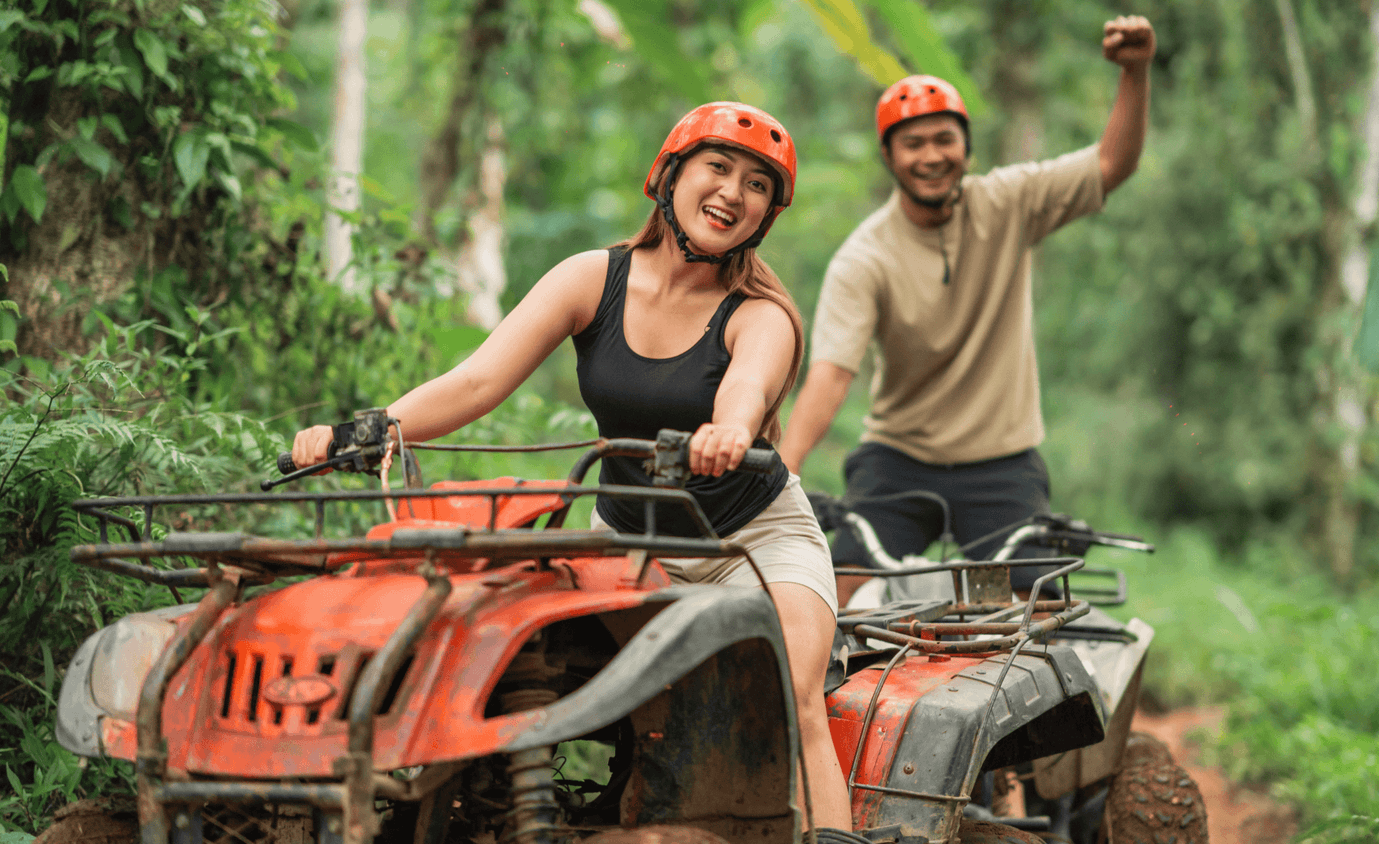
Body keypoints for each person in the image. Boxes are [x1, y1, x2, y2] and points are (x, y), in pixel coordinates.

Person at [290, 102, 859, 838]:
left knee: (795, 690)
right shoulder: (593, 278)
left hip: (750, 541)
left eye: (756, 184)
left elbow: (744, 391)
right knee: (530, 662)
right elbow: (476, 382)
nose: (733, 192)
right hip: (630, 542)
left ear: (765, 215)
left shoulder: (760, 312)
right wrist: (369, 429)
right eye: (717, 167)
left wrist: (727, 432)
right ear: (670, 175)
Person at [780, 16, 1157, 606]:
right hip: (899, 457)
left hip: (1002, 462)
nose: (931, 156)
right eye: (913, 143)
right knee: (840, 587)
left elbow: (1113, 165)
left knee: (1040, 612)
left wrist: (1134, 72)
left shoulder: (1008, 203)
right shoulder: (865, 256)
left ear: (966, 146)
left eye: (944, 139)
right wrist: (785, 473)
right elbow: (830, 374)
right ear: (890, 155)